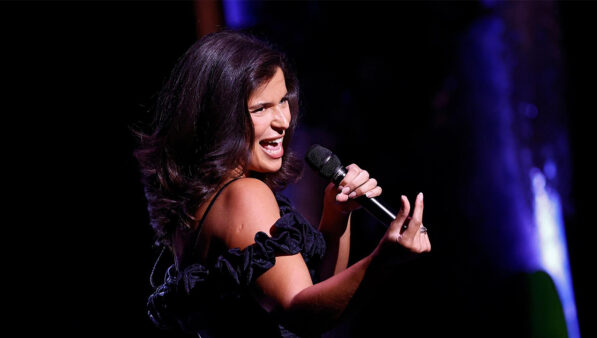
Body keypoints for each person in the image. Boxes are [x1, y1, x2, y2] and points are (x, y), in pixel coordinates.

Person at [134, 30, 431, 338]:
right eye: (260, 108)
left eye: (283, 101)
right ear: (218, 117)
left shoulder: (203, 201)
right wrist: (383, 259)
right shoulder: (244, 195)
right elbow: (302, 316)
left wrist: (336, 217)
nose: (283, 120)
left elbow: (316, 294)